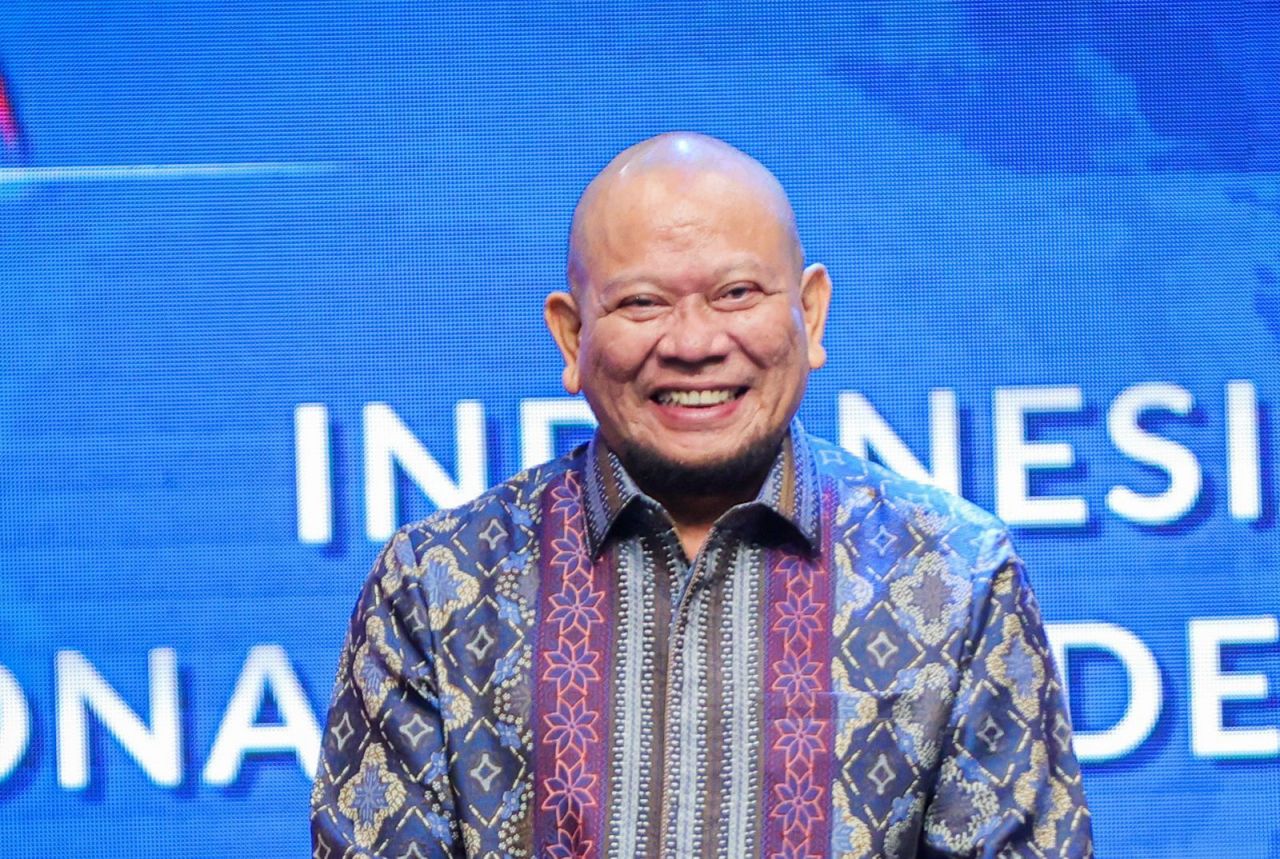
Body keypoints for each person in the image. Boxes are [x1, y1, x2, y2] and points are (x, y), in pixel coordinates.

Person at [311, 133, 1092, 858]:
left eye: (737, 292)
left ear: (811, 311)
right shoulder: (437, 586)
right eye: (642, 303)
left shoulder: (955, 575)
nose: (693, 343)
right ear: (571, 335)